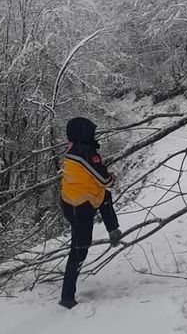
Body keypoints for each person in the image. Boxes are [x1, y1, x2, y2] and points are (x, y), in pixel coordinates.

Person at [59, 117, 122, 309]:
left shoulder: (73, 148)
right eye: (91, 132)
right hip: (80, 206)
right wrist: (112, 178)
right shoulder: (84, 152)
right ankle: (67, 297)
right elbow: (104, 179)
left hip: (73, 200)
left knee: (105, 197)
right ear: (84, 133)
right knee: (79, 249)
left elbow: (95, 179)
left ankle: (113, 229)